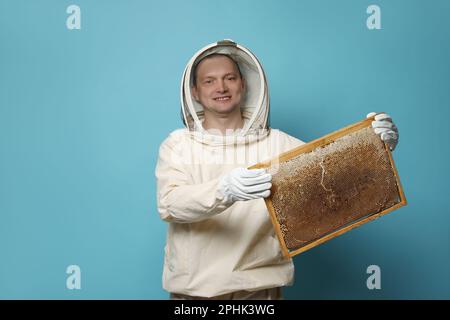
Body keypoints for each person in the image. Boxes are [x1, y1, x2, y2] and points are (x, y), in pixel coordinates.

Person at [155, 39, 399, 300]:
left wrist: (376, 147)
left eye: (229, 78)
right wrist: (224, 190)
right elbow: (170, 203)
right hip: (194, 295)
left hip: (260, 292)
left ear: (243, 84)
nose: (221, 87)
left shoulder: (278, 144)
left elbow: (333, 180)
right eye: (209, 81)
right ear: (194, 92)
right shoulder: (178, 144)